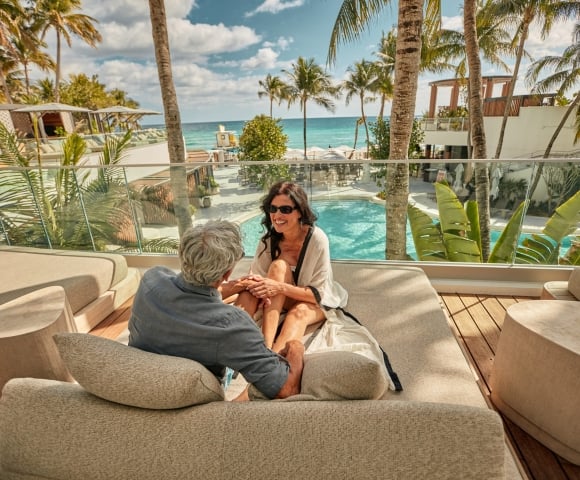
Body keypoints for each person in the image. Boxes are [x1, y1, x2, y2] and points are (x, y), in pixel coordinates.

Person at [128, 219, 304, 401]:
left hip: (142, 383)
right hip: (194, 403)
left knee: (247, 295)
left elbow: (191, 290)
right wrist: (295, 347)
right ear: (227, 273)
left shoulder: (151, 280)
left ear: (183, 255)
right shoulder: (231, 325)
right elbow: (286, 390)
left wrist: (241, 285)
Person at [224, 181, 348, 352]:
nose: (277, 215)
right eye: (273, 209)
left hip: (316, 300)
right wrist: (260, 288)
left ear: (300, 212)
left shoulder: (317, 240)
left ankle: (273, 359)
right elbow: (260, 282)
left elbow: (317, 295)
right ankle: (239, 345)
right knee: (272, 272)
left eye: (285, 209)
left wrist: (279, 287)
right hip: (280, 297)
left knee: (298, 314)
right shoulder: (268, 241)